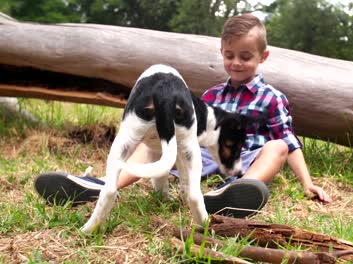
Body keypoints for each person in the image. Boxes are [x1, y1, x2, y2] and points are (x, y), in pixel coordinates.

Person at [34, 13, 332, 219]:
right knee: (150, 141)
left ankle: (235, 193)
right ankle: (104, 185)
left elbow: (289, 143)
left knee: (276, 146)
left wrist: (307, 182)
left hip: (249, 158)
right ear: (222, 52)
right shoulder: (213, 95)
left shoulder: (273, 98)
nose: (236, 63)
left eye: (245, 57)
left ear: (262, 57)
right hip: (204, 156)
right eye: (229, 55)